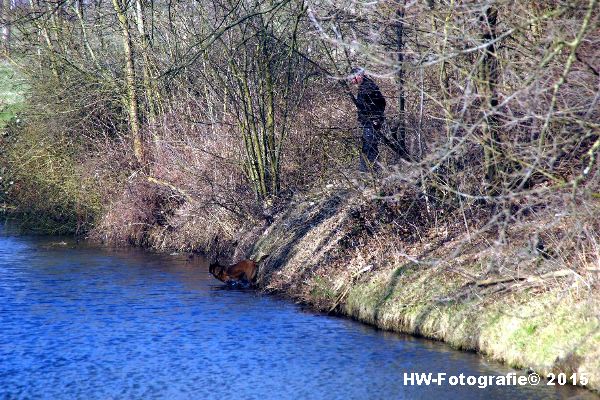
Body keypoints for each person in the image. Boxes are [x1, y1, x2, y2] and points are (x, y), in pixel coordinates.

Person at [348, 67, 386, 172]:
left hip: (372, 123)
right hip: (367, 122)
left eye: (352, 78)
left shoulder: (368, 87)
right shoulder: (364, 86)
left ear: (359, 76)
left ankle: (374, 172)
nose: (351, 81)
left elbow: (381, 102)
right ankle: (366, 171)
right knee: (367, 146)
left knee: (371, 147)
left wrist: (376, 119)